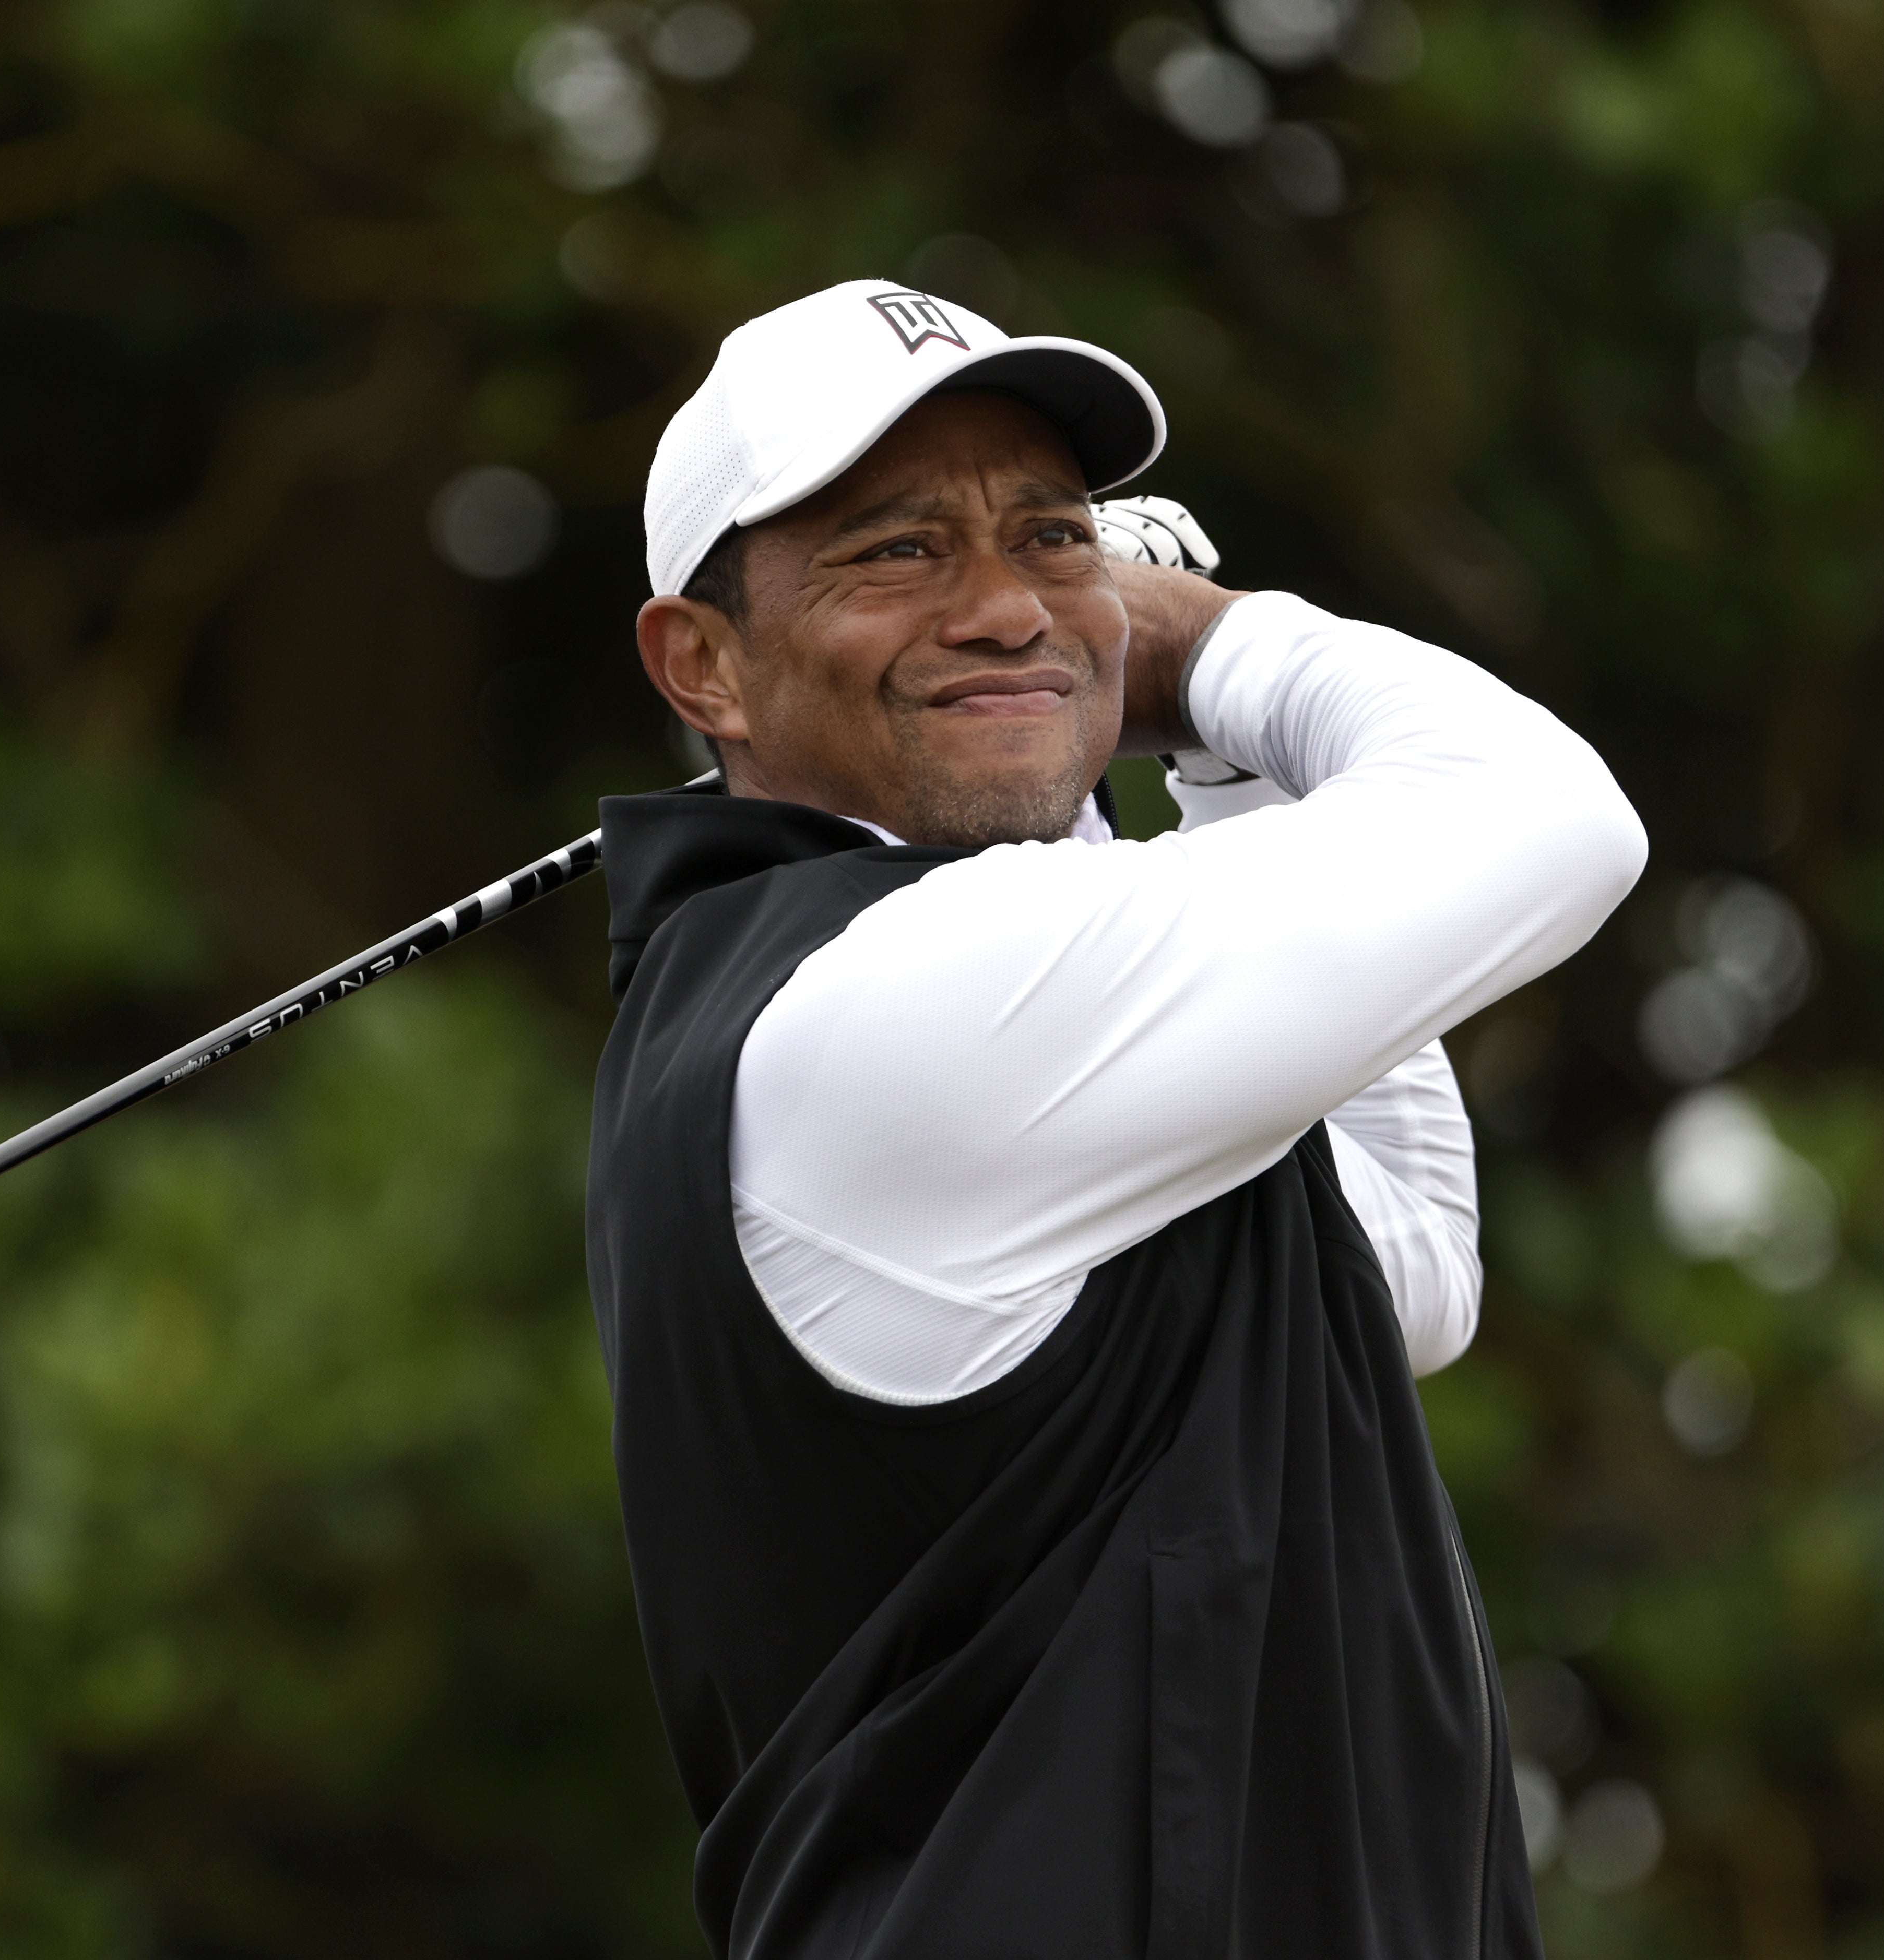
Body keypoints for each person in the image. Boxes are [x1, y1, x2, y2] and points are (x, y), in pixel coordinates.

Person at [583, 280, 1645, 1957]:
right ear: (703, 662)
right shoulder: (892, 1007)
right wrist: (1210, 643)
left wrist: (1204, 772)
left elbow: (1407, 1261)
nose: (1007, 606)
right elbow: (1556, 818)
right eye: (899, 551)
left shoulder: (977, 1020)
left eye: (1052, 538)